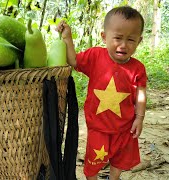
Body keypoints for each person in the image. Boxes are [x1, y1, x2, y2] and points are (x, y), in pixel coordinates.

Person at [56, 6, 147, 180]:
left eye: (131, 40)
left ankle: (114, 178)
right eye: (118, 38)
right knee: (94, 160)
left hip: (125, 128)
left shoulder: (138, 68)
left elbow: (141, 94)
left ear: (139, 41)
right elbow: (73, 60)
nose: (123, 45)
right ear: (104, 37)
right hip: (99, 127)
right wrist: (67, 38)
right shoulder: (95, 56)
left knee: (120, 160)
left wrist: (139, 118)